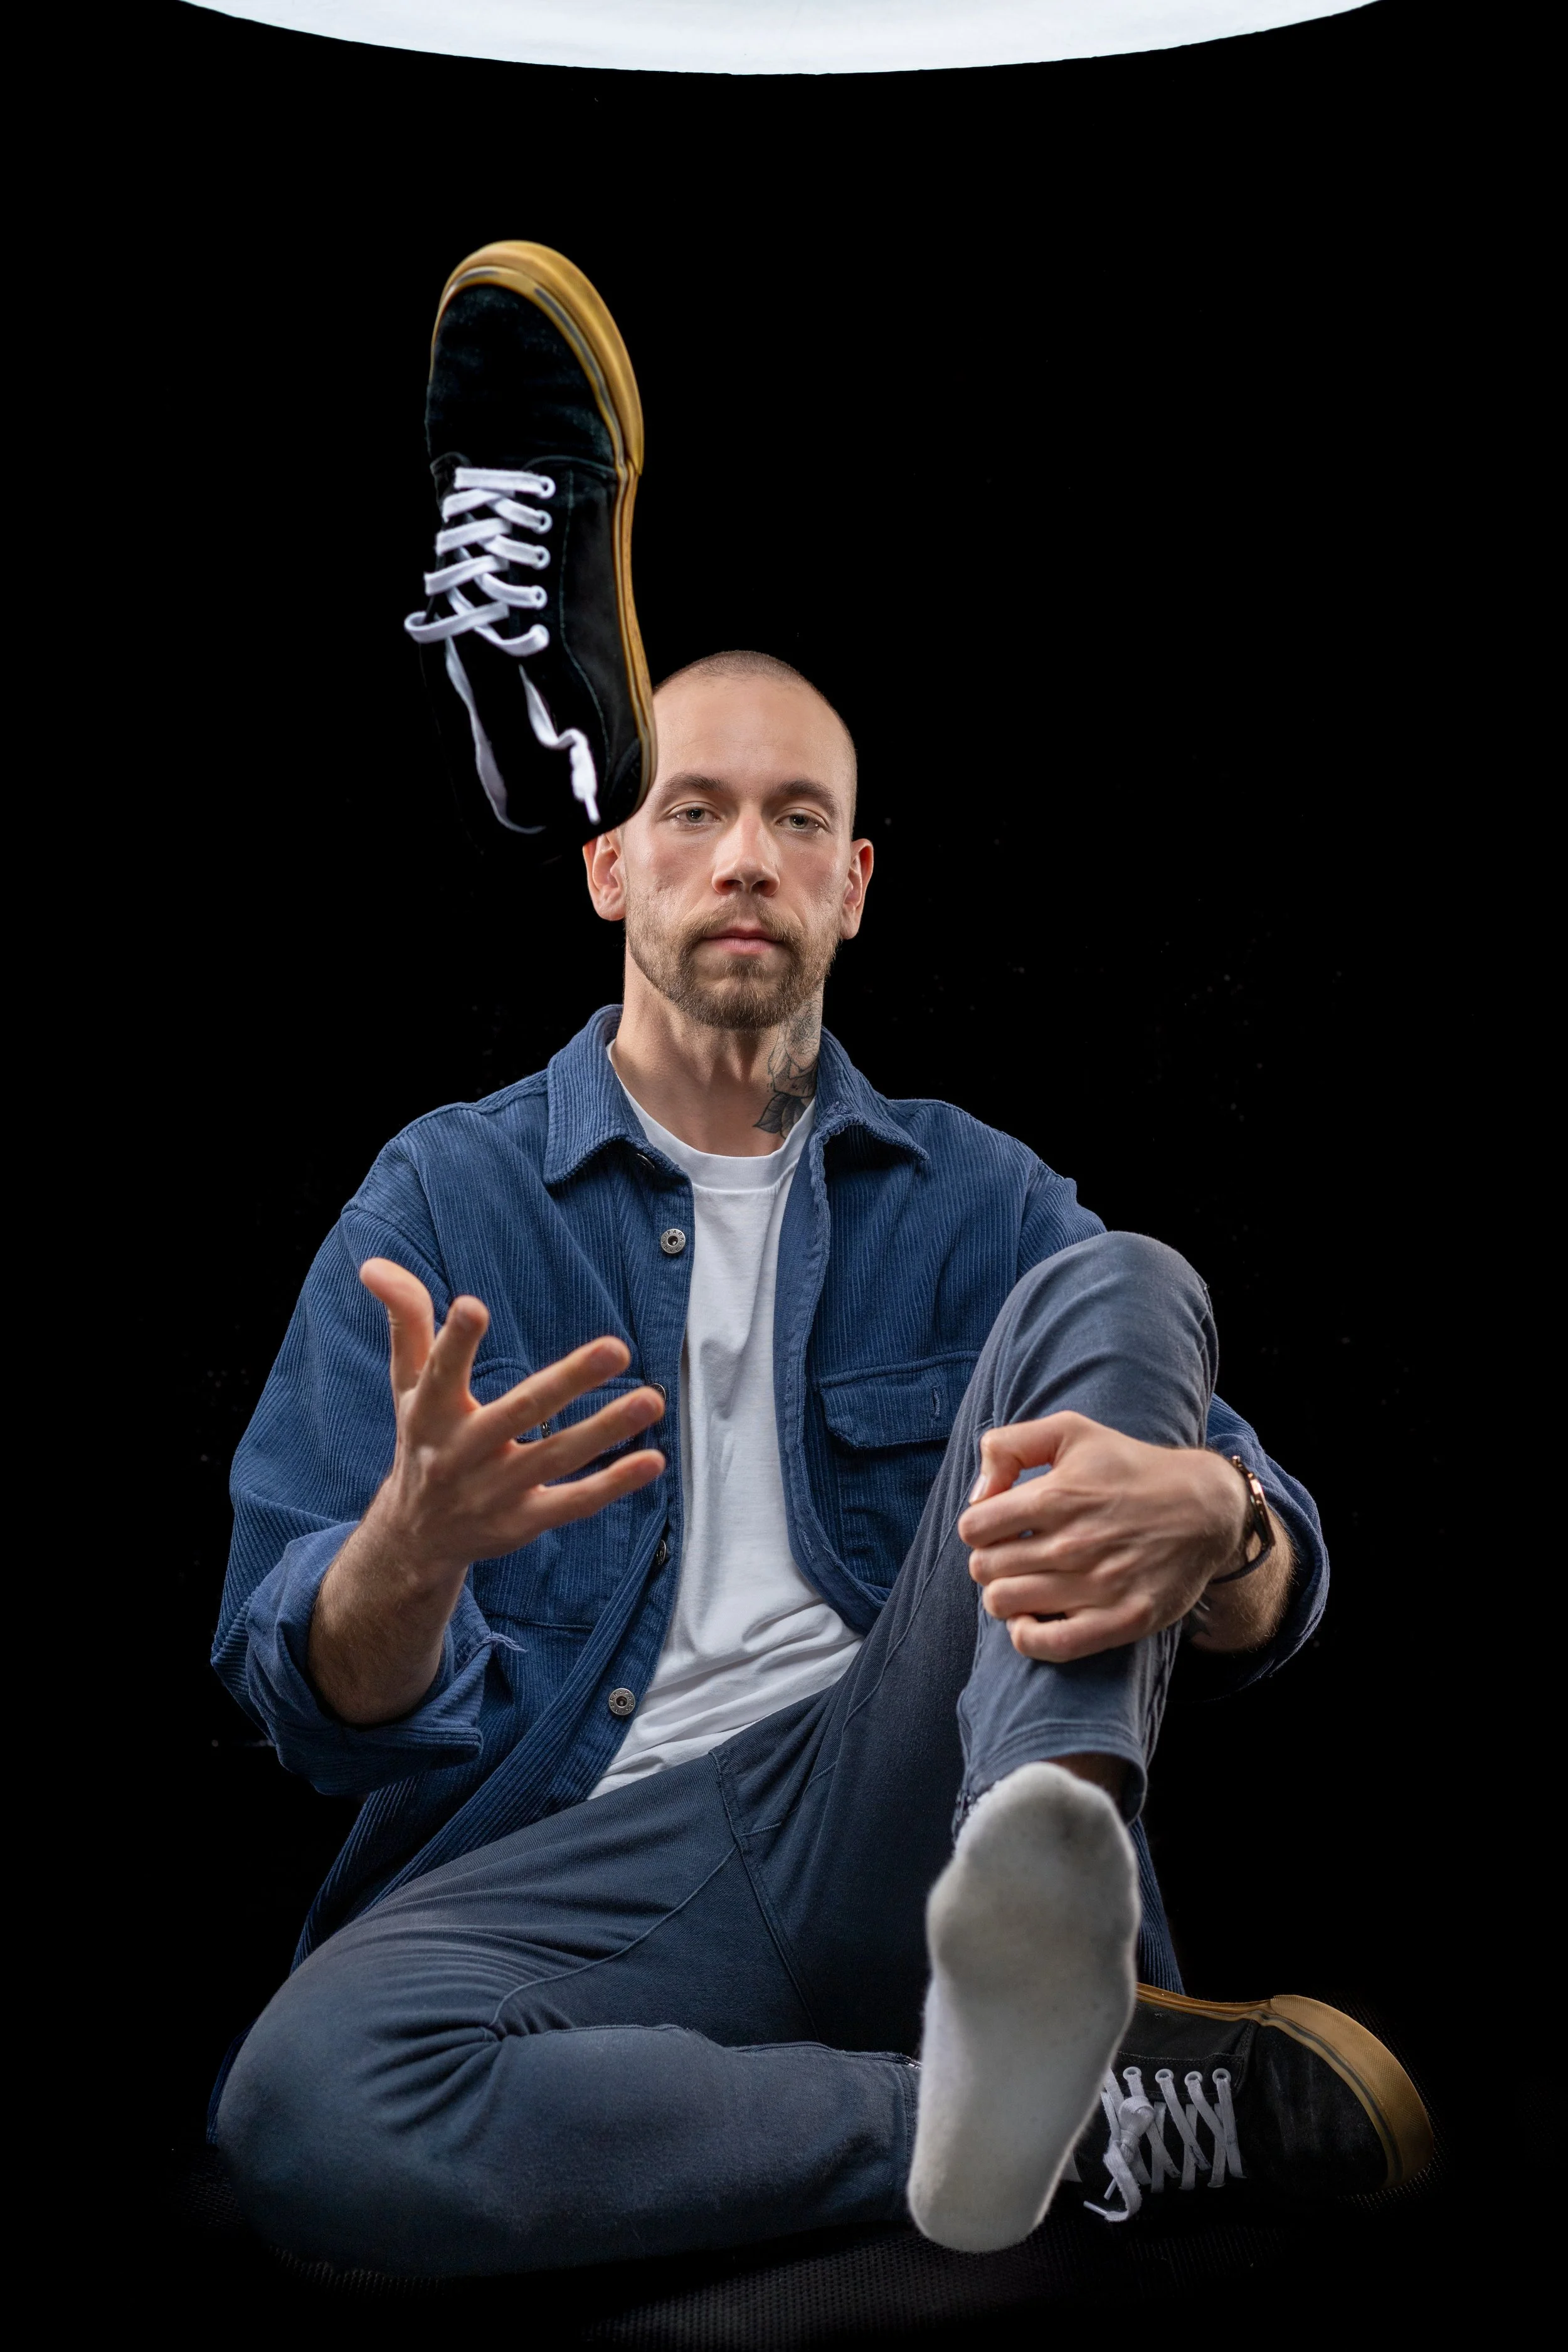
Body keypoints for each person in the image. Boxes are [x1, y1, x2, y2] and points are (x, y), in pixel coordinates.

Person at [210, 251, 1429, 2279]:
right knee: (310, 2103)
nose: (745, 858)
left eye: (797, 820)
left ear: (855, 889)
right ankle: (1044, 2111)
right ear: (607, 858)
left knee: (1119, 1276)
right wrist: (403, 1559)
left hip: (902, 1804)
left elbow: (1265, 1582)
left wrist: (1218, 1512)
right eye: (689, 810)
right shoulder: (444, 1194)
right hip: (575, 1878)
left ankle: (1054, 1855)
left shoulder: (968, 1193)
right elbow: (307, 1697)